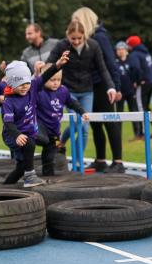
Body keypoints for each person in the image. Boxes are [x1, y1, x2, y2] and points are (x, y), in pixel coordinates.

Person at [46, 19, 118, 160]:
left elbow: (103, 69)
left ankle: (76, 159)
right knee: (77, 122)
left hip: (87, 91)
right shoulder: (61, 46)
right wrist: (41, 66)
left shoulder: (93, 46)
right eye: (73, 38)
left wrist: (111, 87)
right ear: (67, 35)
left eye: (80, 38)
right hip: (68, 91)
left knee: (84, 127)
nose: (77, 41)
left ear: (85, 35)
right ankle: (66, 147)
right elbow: (50, 63)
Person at [1, 53, 69, 186]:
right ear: (11, 84)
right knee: (30, 143)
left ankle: (6, 186)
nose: (25, 86)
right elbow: (8, 123)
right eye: (20, 84)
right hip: (12, 134)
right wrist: (17, 134)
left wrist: (58, 65)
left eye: (27, 82)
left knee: (21, 168)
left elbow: (45, 76)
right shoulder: (8, 102)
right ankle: (30, 178)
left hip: (27, 132)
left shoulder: (32, 87)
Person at [73, 7, 126, 173]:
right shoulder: (84, 39)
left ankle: (118, 161)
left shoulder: (100, 36)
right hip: (90, 86)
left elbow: (111, 63)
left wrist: (115, 87)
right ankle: (101, 159)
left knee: (111, 122)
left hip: (104, 85)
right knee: (95, 123)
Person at [36, 65, 90, 176]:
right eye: (52, 80)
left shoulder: (63, 91)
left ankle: (48, 175)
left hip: (54, 130)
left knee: (50, 155)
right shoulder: (39, 91)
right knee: (42, 141)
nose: (56, 83)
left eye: (58, 80)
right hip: (39, 127)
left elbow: (72, 103)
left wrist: (82, 112)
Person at [127, 35, 152, 137]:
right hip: (151, 82)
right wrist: (150, 77)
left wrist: (138, 80)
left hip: (143, 84)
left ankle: (142, 134)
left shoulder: (134, 55)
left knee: (140, 108)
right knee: (146, 107)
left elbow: (135, 68)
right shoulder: (146, 53)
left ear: (132, 45)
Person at [114, 41, 140, 138]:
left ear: (126, 51)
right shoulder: (114, 63)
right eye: (118, 50)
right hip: (119, 92)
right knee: (119, 114)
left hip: (130, 91)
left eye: (122, 49)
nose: (120, 51)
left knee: (134, 112)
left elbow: (137, 73)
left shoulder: (132, 61)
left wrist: (136, 82)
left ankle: (137, 133)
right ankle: (118, 135)